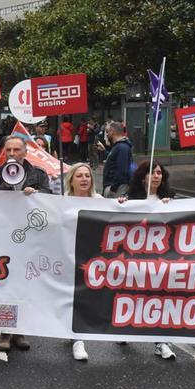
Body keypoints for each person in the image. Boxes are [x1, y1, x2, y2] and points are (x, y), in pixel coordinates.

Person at [0, 136, 50, 352]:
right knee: (4, 283)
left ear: (25, 152)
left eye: (16, 150)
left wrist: (37, 195)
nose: (12, 154)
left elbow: (51, 200)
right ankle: (5, 330)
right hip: (3, 237)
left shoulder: (38, 175)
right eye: (9, 150)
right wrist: (6, 183)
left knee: (24, 284)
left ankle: (19, 329)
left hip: (29, 237)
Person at [118, 160, 177, 360]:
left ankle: (160, 342)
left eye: (159, 172)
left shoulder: (171, 197)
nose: (156, 176)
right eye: (152, 172)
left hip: (162, 257)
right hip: (135, 256)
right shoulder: (131, 197)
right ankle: (125, 328)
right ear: (143, 176)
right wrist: (120, 205)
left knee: (158, 298)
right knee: (133, 295)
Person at [62, 163, 103, 361]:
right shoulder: (61, 202)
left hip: (92, 259)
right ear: (71, 179)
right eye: (79, 175)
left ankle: (78, 338)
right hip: (68, 257)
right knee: (71, 298)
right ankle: (75, 337)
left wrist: (122, 204)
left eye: (87, 175)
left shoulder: (100, 201)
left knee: (85, 298)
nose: (85, 179)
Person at [100, 121, 133, 198]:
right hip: (114, 188)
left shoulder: (122, 147)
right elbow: (113, 159)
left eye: (107, 132)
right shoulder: (118, 146)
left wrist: (113, 188)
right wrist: (104, 151)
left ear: (112, 131)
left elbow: (122, 170)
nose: (107, 134)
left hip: (116, 189)